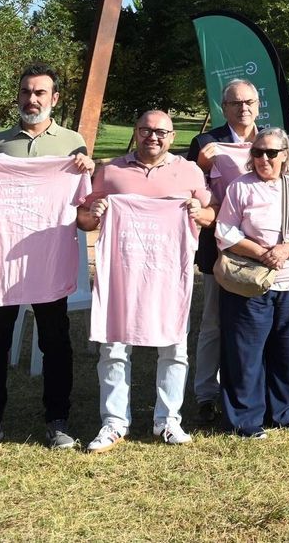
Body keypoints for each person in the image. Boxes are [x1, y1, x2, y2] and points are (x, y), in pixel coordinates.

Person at [0, 64, 93, 457]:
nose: (32, 99)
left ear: (54, 99)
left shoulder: (73, 143)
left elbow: (83, 204)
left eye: (40, 92)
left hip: (48, 261)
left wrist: (88, 167)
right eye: (26, 92)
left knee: (56, 341)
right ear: (18, 96)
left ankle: (57, 419)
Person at [76, 110, 214, 451]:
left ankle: (168, 420)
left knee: (174, 346)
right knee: (114, 346)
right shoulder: (111, 171)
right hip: (121, 274)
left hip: (170, 274)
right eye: (146, 130)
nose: (153, 137)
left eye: (161, 132)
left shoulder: (189, 171)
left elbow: (212, 214)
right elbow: (82, 219)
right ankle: (114, 422)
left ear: (173, 136)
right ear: (136, 132)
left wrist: (199, 213)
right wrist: (93, 214)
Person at [215, 127, 289, 438]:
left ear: (284, 155)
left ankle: (284, 413)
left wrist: (284, 251)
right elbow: (225, 232)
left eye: (271, 153)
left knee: (288, 351)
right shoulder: (240, 187)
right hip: (252, 282)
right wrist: (263, 253)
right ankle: (245, 419)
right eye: (258, 152)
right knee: (245, 353)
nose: (264, 158)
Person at [187, 77, 262, 425]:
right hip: (220, 248)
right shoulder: (205, 143)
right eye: (236, 103)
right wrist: (202, 167)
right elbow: (190, 190)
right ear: (224, 107)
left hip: (264, 248)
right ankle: (206, 394)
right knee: (214, 323)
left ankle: (249, 388)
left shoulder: (271, 141)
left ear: (258, 105)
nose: (243, 108)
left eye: (249, 102)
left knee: (255, 323)